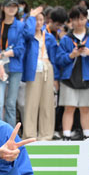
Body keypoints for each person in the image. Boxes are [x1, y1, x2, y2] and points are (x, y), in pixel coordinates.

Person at [56, 6, 89, 141]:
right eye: (76, 19)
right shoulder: (66, 39)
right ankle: (66, 135)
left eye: (82, 19)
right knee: (69, 108)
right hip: (69, 78)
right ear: (71, 20)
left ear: (86, 19)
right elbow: (59, 59)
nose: (79, 22)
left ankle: (87, 134)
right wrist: (70, 55)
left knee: (85, 108)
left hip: (88, 77)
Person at [0, 0, 26, 127]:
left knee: (11, 103)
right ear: (3, 8)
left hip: (15, 67)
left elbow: (20, 49)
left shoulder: (20, 25)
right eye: (9, 6)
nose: (11, 9)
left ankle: (11, 133)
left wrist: (2, 55)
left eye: (14, 6)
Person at [23, 8, 58, 140]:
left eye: (40, 20)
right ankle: (29, 135)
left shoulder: (49, 37)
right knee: (31, 102)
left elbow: (54, 57)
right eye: (36, 20)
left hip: (47, 67)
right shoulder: (29, 36)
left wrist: (56, 77)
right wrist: (31, 18)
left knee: (47, 103)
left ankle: (46, 135)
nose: (38, 22)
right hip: (33, 69)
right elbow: (27, 33)